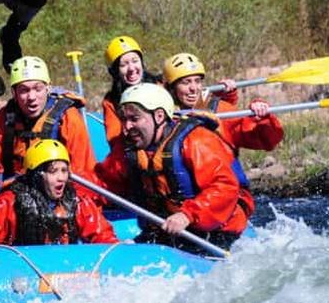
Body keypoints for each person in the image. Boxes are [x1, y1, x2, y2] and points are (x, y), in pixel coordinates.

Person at [96, 83, 253, 254]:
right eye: (124, 120)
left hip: (216, 229)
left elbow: (224, 187)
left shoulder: (196, 140)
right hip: (167, 229)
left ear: (159, 116)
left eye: (134, 119)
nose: (127, 127)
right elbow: (103, 183)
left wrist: (187, 215)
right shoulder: (129, 149)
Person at [0, 56, 97, 194]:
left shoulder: (68, 118)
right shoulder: (2, 120)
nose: (32, 97)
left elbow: (83, 173)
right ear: (14, 93)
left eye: (38, 89)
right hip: (16, 195)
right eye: (24, 90)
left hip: (59, 196)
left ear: (48, 88)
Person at [0, 139, 118, 249]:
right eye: (53, 171)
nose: (61, 178)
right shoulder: (9, 203)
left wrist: (116, 248)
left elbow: (103, 235)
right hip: (23, 272)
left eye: (64, 171)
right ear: (37, 176)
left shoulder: (78, 202)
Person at [162, 53, 284, 152]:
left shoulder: (220, 109)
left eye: (197, 81)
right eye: (186, 82)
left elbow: (267, 141)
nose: (194, 88)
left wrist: (263, 119)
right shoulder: (159, 115)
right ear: (171, 88)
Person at [102, 36, 162, 152]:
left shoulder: (159, 87)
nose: (131, 68)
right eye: (123, 65)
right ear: (115, 71)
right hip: (135, 151)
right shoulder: (111, 102)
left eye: (135, 61)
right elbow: (115, 141)